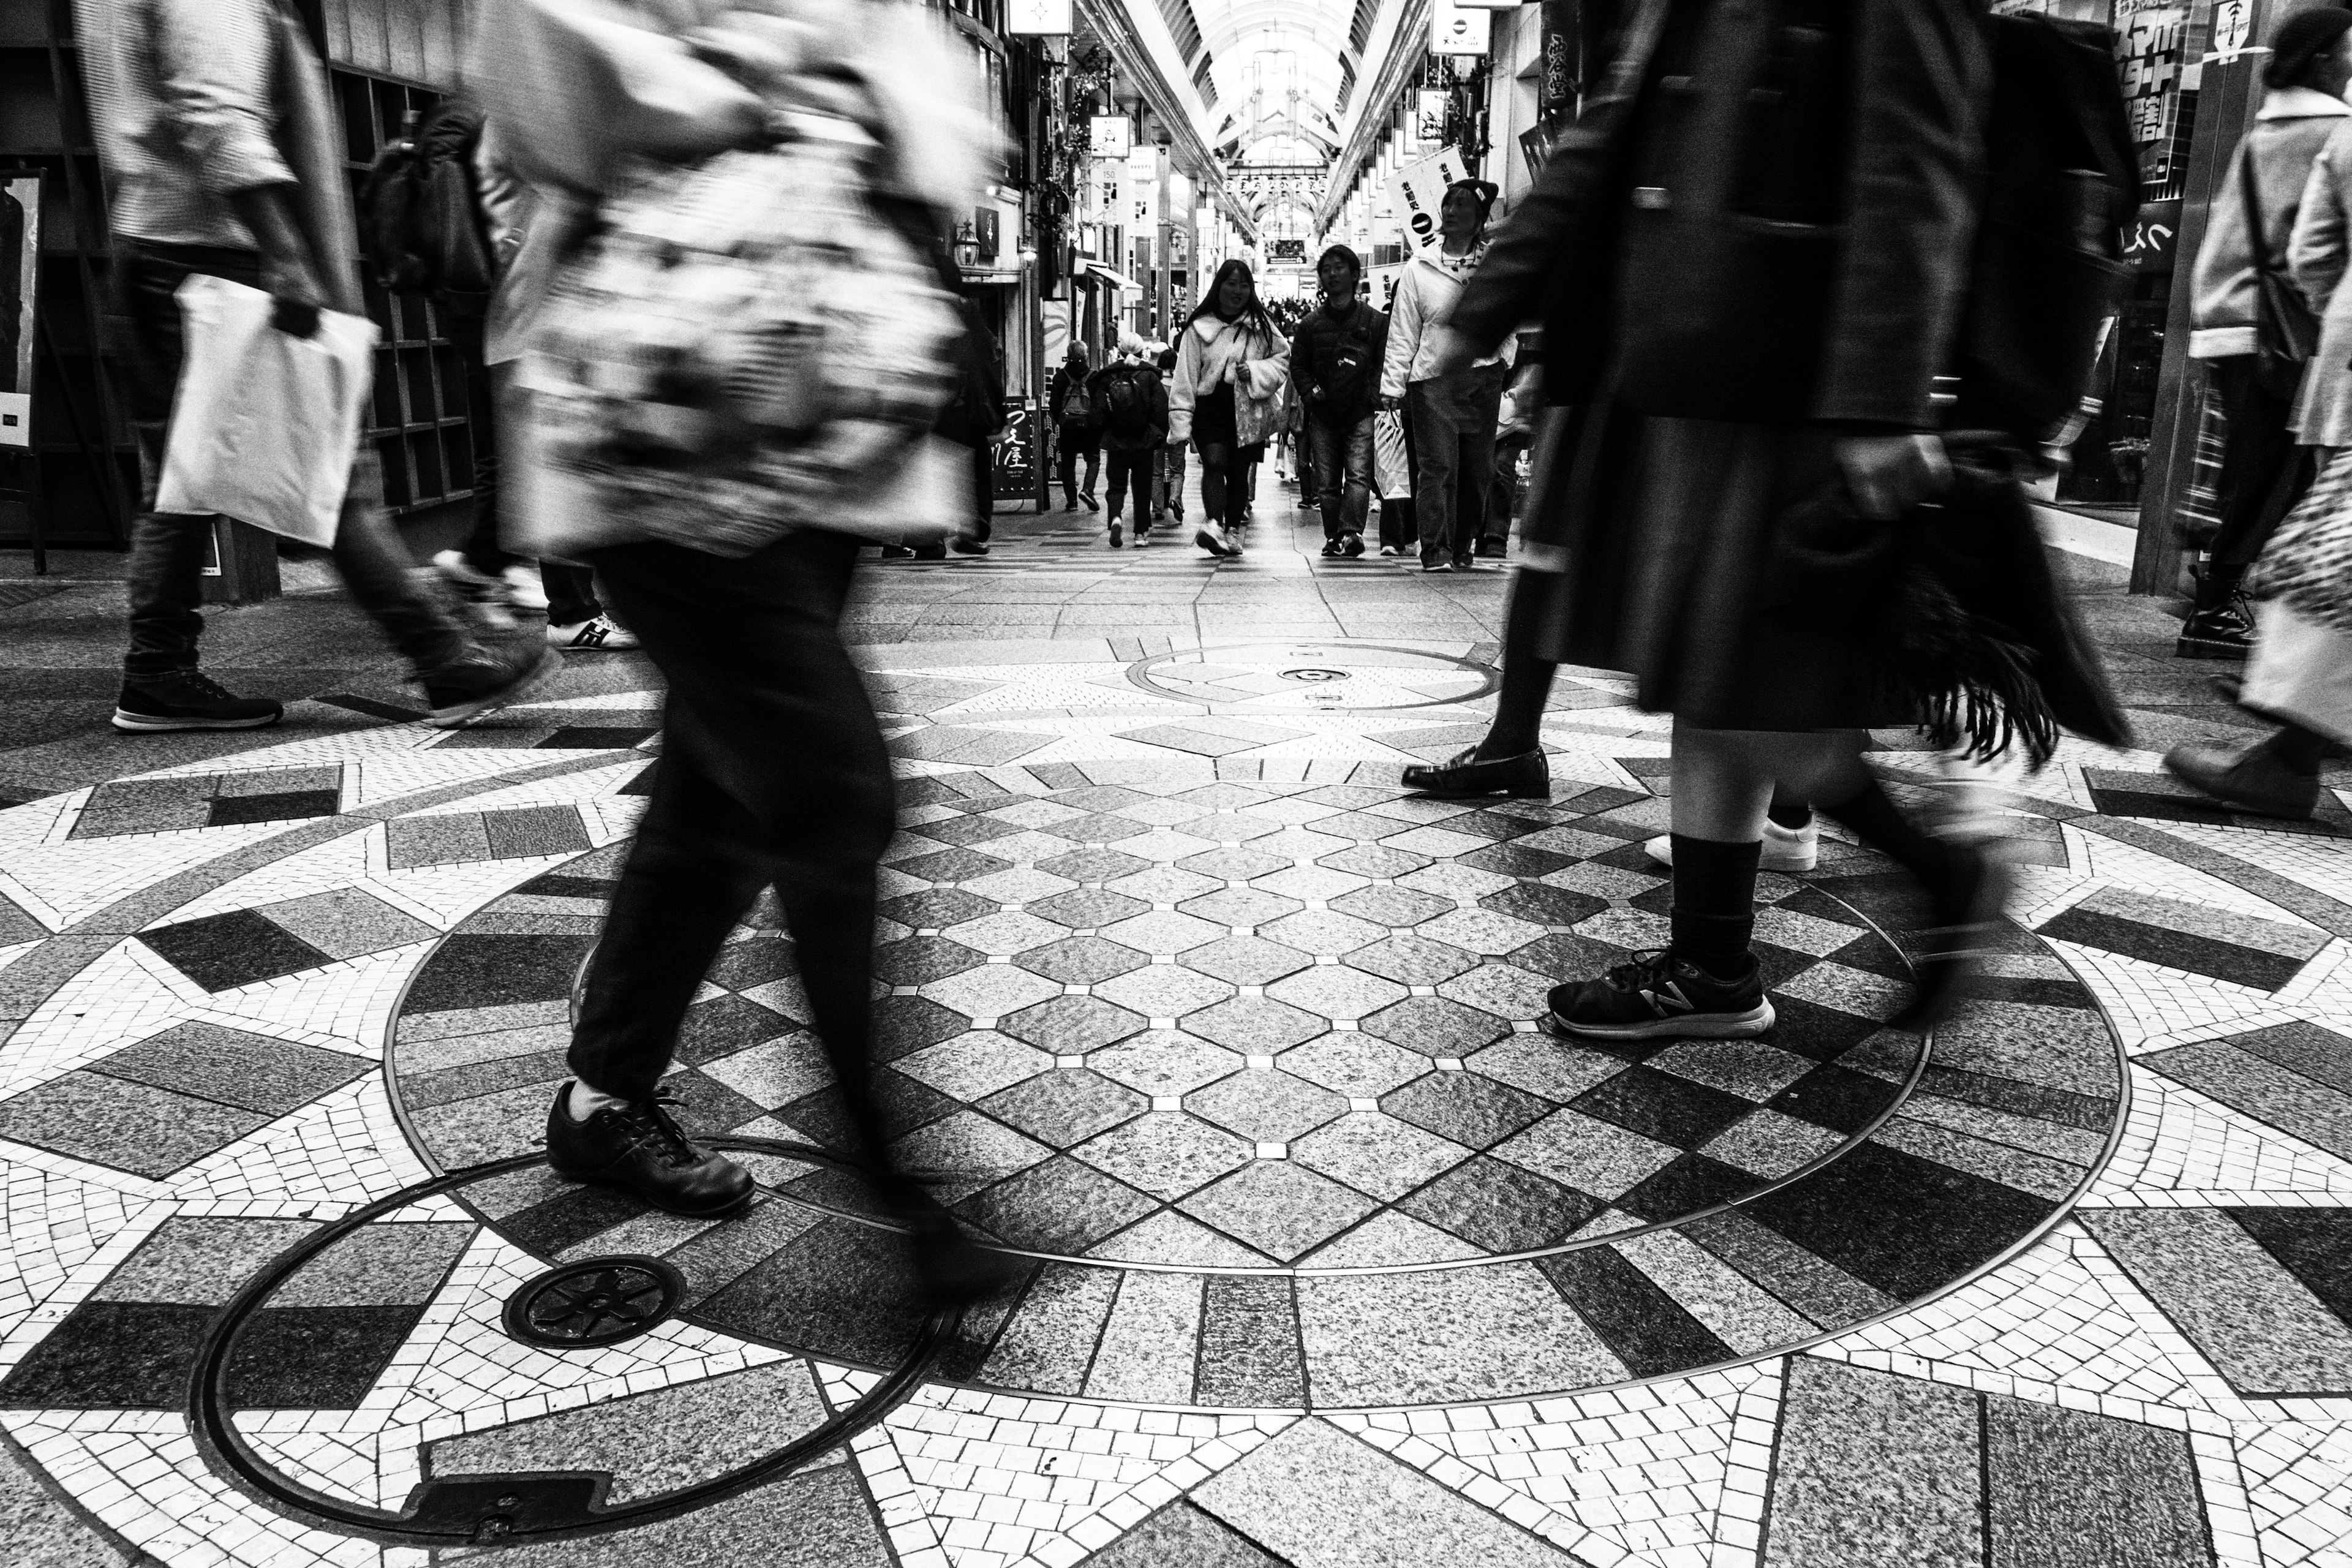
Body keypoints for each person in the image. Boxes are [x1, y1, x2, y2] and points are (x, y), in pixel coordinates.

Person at [477, 0, 1006, 1304]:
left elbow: (938, 128)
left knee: (719, 799)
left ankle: (604, 1094)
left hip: (813, 444)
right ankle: (898, 1190)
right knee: (837, 796)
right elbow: (541, 96)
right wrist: (749, 77)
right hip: (666, 439)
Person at [1404, 0, 2028, 1041]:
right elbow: (1604, 143)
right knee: (1710, 678)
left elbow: (1912, 166)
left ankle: (1939, 873)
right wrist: (1484, 308)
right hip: (1688, 376)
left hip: (1791, 387)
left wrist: (1881, 404)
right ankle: (1712, 964)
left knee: (1749, 691)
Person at [78, 0, 557, 733]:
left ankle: (157, 670)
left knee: (175, 484)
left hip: (150, 245)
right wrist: (286, 256)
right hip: (221, 254)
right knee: (331, 462)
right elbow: (218, 116)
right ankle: (441, 659)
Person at [2180, 9, 2352, 660]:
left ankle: (2224, 596)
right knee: (2279, 475)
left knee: (2261, 471)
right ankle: (2215, 604)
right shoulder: (2331, 133)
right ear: (2320, 61)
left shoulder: (2263, 133)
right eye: (2346, 52)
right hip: (2284, 328)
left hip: (2234, 323)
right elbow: (2311, 248)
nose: (2351, 64)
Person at [432, 112, 639, 652]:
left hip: (520, 320)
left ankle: (526, 585)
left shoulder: (500, 121)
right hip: (532, 321)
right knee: (547, 460)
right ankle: (499, 575)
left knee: (531, 461)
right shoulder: (519, 122)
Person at [1382, 179, 1512, 573]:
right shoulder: (1419, 266)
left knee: (1477, 471)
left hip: (1482, 379)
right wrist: (1392, 384)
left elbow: (1508, 316)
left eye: (1463, 205)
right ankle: (1434, 547)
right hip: (1432, 382)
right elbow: (1403, 330)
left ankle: (1463, 543)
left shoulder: (1494, 264)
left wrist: (1505, 360)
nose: (1452, 211)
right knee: (1438, 467)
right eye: (1448, 203)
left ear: (1480, 217)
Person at [1168, 260, 1290, 559]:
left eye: (1244, 285)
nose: (1237, 291)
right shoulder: (1199, 328)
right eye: (1231, 283)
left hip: (1247, 406)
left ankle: (1232, 531)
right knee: (1214, 461)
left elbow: (1283, 359)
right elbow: (1185, 376)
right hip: (1210, 406)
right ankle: (1213, 523)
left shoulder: (1262, 327)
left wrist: (1257, 371)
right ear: (1218, 286)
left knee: (1239, 472)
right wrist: (1181, 426)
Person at [1291, 244, 1387, 559]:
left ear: (1356, 275)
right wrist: (1310, 392)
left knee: (1359, 474)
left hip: (1361, 411)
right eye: (1326, 269)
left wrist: (1373, 395)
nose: (1332, 274)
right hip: (1323, 413)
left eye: (1339, 267)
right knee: (1328, 481)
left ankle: (1351, 532)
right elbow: (1298, 365)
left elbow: (1382, 361)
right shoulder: (1309, 325)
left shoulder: (1374, 322)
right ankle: (1334, 536)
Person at [1091, 342, 1169, 548]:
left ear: (1120, 351)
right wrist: (1157, 436)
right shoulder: (1150, 377)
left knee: (1116, 486)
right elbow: (1161, 410)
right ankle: (1140, 533)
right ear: (1142, 352)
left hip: (1116, 443)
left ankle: (1116, 518)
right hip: (1144, 443)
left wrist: (1103, 435)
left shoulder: (1108, 377)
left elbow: (1099, 413)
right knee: (1142, 487)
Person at [1049, 342, 1101, 511]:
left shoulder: (1060, 377)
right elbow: (1100, 404)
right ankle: (1087, 490)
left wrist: (1063, 421)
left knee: (1068, 463)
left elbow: (1054, 405)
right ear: (1086, 356)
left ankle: (1072, 501)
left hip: (1067, 428)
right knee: (1093, 459)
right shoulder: (1094, 377)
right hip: (1089, 427)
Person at [1152, 346, 1188, 531]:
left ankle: (1158, 508)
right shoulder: (1181, 383)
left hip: (1158, 433)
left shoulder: (1155, 383)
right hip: (1178, 431)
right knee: (1177, 470)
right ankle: (1175, 497)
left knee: (1156, 471)